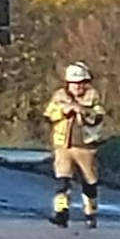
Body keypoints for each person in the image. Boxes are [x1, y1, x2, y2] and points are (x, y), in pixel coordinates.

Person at [43, 61, 106, 229]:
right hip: (64, 146)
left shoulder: (93, 98)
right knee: (62, 181)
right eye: (74, 83)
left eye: (81, 83)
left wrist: (83, 111)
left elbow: (98, 117)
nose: (77, 87)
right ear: (68, 83)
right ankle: (61, 213)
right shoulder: (59, 97)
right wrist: (64, 111)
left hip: (86, 147)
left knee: (89, 182)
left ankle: (90, 213)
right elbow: (49, 114)